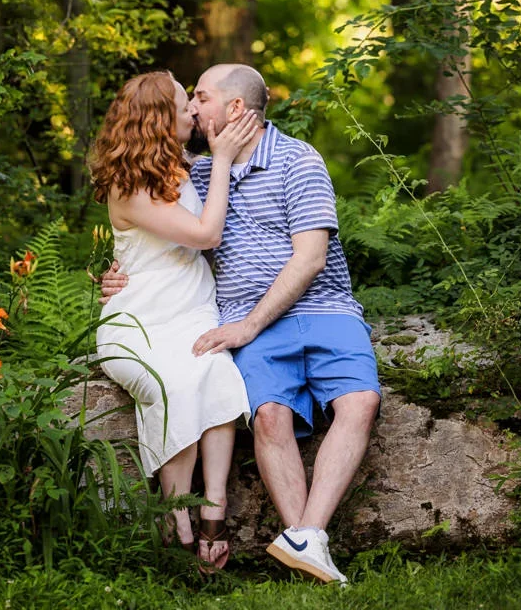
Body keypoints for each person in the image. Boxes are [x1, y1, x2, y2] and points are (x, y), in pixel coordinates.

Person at [101, 64, 381, 584]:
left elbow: (310, 258)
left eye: (200, 98)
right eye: (189, 101)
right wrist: (118, 275)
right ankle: (304, 546)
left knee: (361, 401)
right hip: (236, 320)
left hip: (323, 310)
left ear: (234, 110)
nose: (193, 109)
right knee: (269, 417)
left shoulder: (299, 160)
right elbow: (157, 225)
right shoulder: (202, 173)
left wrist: (249, 326)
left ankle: (305, 538)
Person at [91, 71, 257, 569]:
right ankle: (177, 517)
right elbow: (205, 234)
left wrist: (220, 159)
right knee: (174, 383)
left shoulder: (184, 166)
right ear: (160, 119)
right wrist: (224, 160)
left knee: (216, 372)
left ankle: (213, 508)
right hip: (140, 323)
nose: (192, 113)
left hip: (192, 311)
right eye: (186, 105)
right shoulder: (128, 185)